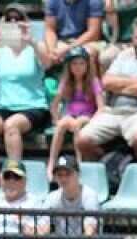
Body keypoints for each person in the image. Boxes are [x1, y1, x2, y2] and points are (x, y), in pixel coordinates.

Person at [75, 19, 137, 164]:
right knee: (82, 140)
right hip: (113, 112)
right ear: (132, 39)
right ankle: (108, 165)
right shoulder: (123, 57)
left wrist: (121, 85)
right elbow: (106, 82)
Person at [0, 11, 50, 183]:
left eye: (18, 19)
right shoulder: (0, 50)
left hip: (33, 107)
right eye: (8, 20)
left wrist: (31, 40)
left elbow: (47, 63)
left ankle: (15, 174)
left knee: (11, 126)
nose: (13, 22)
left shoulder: (35, 47)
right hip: (4, 106)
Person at [47, 46, 103, 180]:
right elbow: (55, 104)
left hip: (88, 116)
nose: (78, 67)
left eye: (81, 63)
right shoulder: (66, 82)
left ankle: (79, 164)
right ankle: (51, 164)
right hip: (70, 115)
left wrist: (94, 120)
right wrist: (56, 118)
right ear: (69, 66)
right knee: (61, 125)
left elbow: (101, 107)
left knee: (78, 125)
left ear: (87, 65)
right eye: (74, 64)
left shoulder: (93, 82)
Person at [44, 0, 104, 68]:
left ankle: (89, 78)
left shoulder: (94, 1)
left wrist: (66, 50)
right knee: (40, 50)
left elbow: (94, 34)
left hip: (86, 42)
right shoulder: (52, 1)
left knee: (86, 53)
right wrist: (52, 51)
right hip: (61, 41)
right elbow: (50, 30)